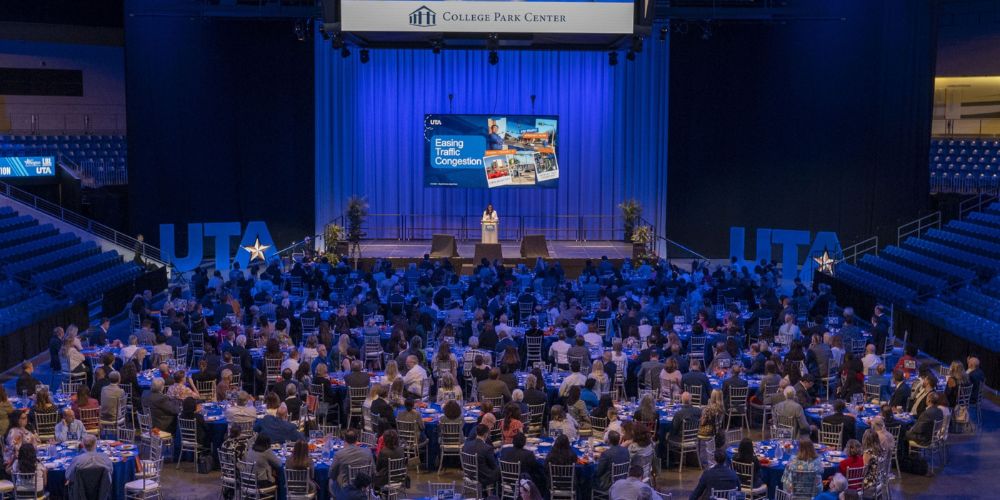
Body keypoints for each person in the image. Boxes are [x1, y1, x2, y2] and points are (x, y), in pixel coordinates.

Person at [461, 424, 499, 492]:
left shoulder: (466, 445)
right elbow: (493, 465)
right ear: (485, 434)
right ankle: (496, 495)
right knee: (499, 470)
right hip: (482, 477)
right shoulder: (487, 448)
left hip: (468, 474)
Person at [698, 389, 725, 467]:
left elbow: (702, 423)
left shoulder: (709, 409)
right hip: (716, 432)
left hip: (707, 432)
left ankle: (701, 461)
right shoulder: (721, 408)